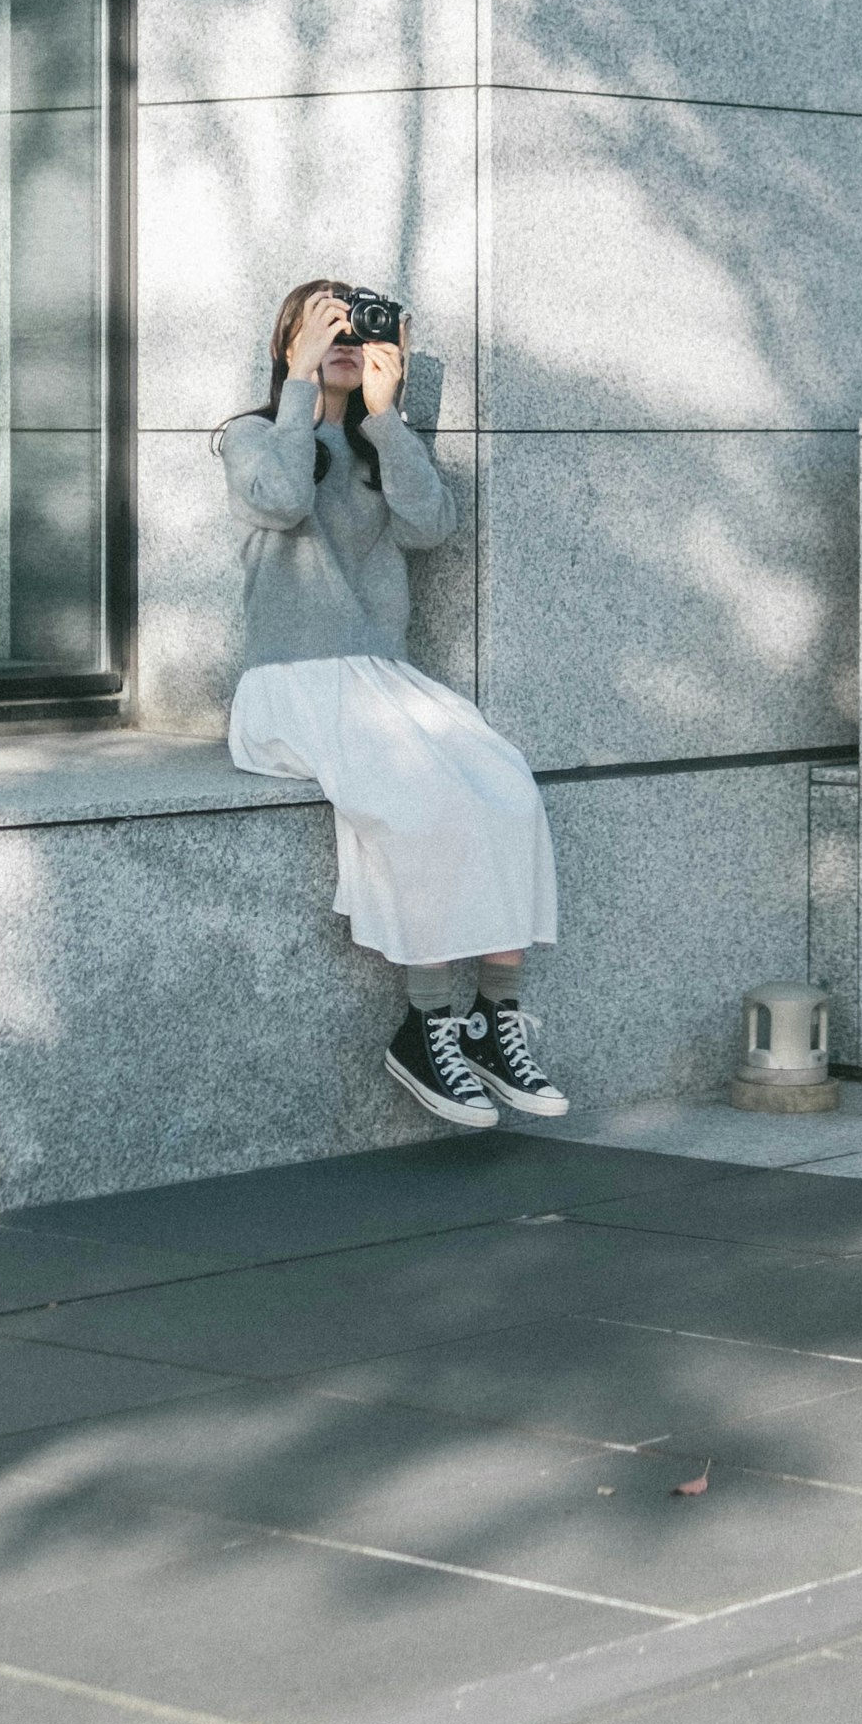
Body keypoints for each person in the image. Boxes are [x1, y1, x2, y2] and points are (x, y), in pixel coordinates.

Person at [217, 279, 567, 1129]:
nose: (346, 336)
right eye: (327, 322)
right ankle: (425, 1022)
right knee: (419, 804)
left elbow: (430, 525)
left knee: (506, 787)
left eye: (359, 325)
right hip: (291, 680)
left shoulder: (379, 443)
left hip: (380, 675)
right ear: (288, 342)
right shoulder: (253, 434)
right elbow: (281, 500)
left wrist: (386, 412)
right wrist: (306, 385)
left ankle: (492, 1018)